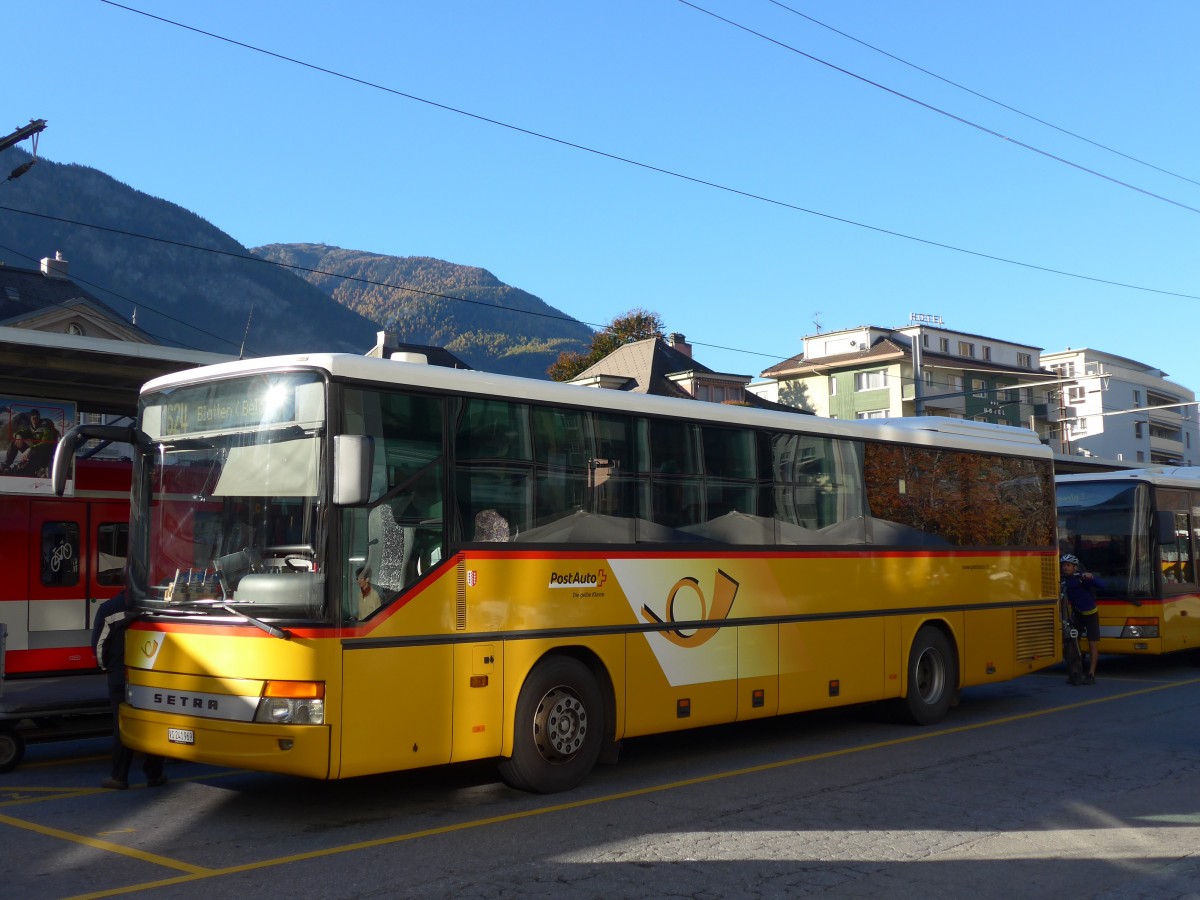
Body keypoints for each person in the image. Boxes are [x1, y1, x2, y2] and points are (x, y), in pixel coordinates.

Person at [91, 587, 167, 789]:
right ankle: (154, 774)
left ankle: (119, 777)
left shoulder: (108, 608)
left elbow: (99, 646)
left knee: (121, 725)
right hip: (149, 675)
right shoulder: (155, 606)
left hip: (120, 676)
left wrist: (106, 668)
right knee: (151, 723)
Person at [1060, 553, 1102, 685]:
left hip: (1091, 614)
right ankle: (1075, 672)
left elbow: (1103, 585)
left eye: (1068, 565)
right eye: (1063, 565)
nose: (1065, 568)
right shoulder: (1063, 581)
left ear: (1075, 567)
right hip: (1077, 614)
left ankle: (1091, 674)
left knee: (1092, 644)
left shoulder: (1082, 578)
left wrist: (1091, 577)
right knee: (1072, 643)